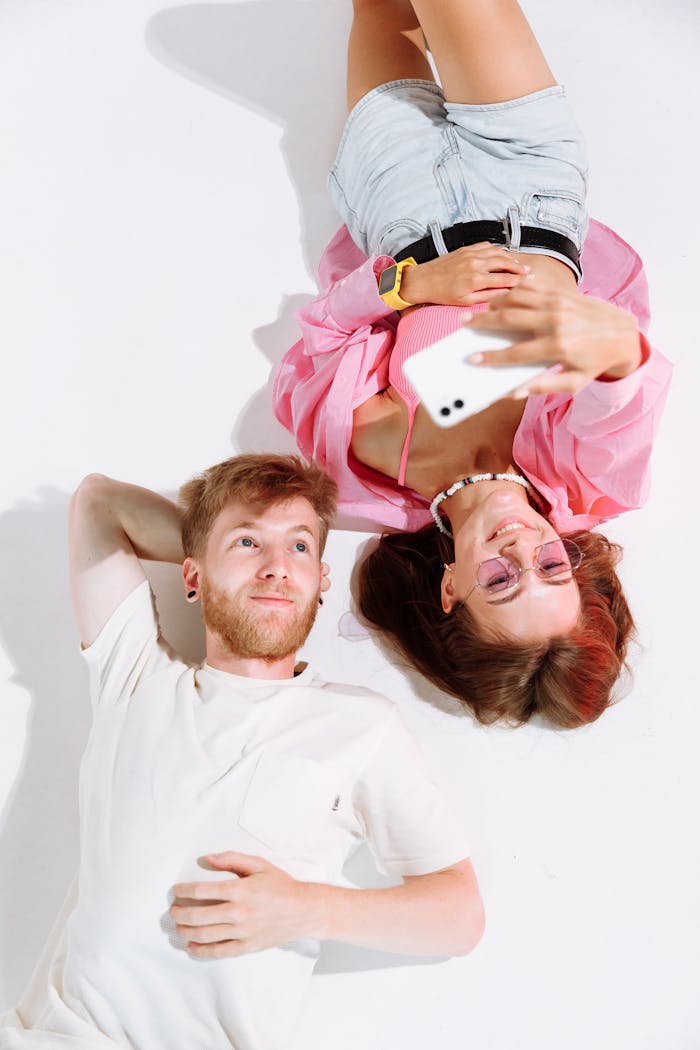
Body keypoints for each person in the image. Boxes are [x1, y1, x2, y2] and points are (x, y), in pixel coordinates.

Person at [272, 0, 673, 728]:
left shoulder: (375, 465)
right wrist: (615, 352)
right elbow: (625, 385)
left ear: (450, 588)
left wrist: (409, 285)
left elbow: (321, 337)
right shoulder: (584, 477)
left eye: (500, 580)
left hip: (396, 196)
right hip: (530, 181)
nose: (522, 548)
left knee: (379, 7)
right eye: (551, 569)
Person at [0, 454, 483, 1050]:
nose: (277, 567)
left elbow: (460, 916)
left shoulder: (361, 725)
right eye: (249, 543)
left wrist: (305, 909)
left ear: (321, 582)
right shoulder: (135, 678)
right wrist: (213, 547)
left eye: (300, 547)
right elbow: (98, 502)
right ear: (192, 577)